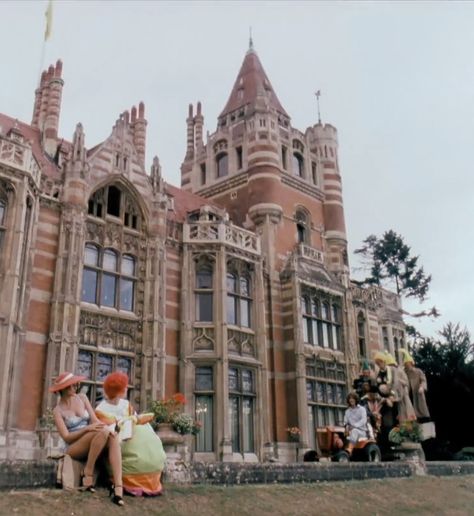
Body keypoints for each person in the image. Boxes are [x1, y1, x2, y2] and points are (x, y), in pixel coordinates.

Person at [50, 372, 124, 506]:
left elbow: (94, 420)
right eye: (72, 385)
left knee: (112, 437)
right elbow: (66, 437)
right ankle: (88, 472)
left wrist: (109, 429)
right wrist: (86, 429)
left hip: (94, 437)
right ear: (64, 389)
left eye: (75, 384)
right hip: (73, 447)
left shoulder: (83, 398)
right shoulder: (57, 410)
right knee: (102, 432)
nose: (76, 386)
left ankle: (118, 488)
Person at [95, 372, 166, 496]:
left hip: (131, 434)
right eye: (124, 386)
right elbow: (109, 429)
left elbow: (135, 418)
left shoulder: (126, 404)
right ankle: (130, 479)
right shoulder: (101, 409)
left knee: (147, 437)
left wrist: (136, 420)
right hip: (117, 440)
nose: (127, 388)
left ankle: (151, 473)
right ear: (119, 390)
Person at [400, 349, 431, 421]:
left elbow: (423, 380)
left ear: (411, 363)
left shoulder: (418, 371)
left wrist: (422, 387)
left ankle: (424, 417)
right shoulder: (404, 373)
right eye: (405, 364)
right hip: (409, 393)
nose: (407, 366)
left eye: (408, 364)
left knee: (421, 406)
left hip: (417, 392)